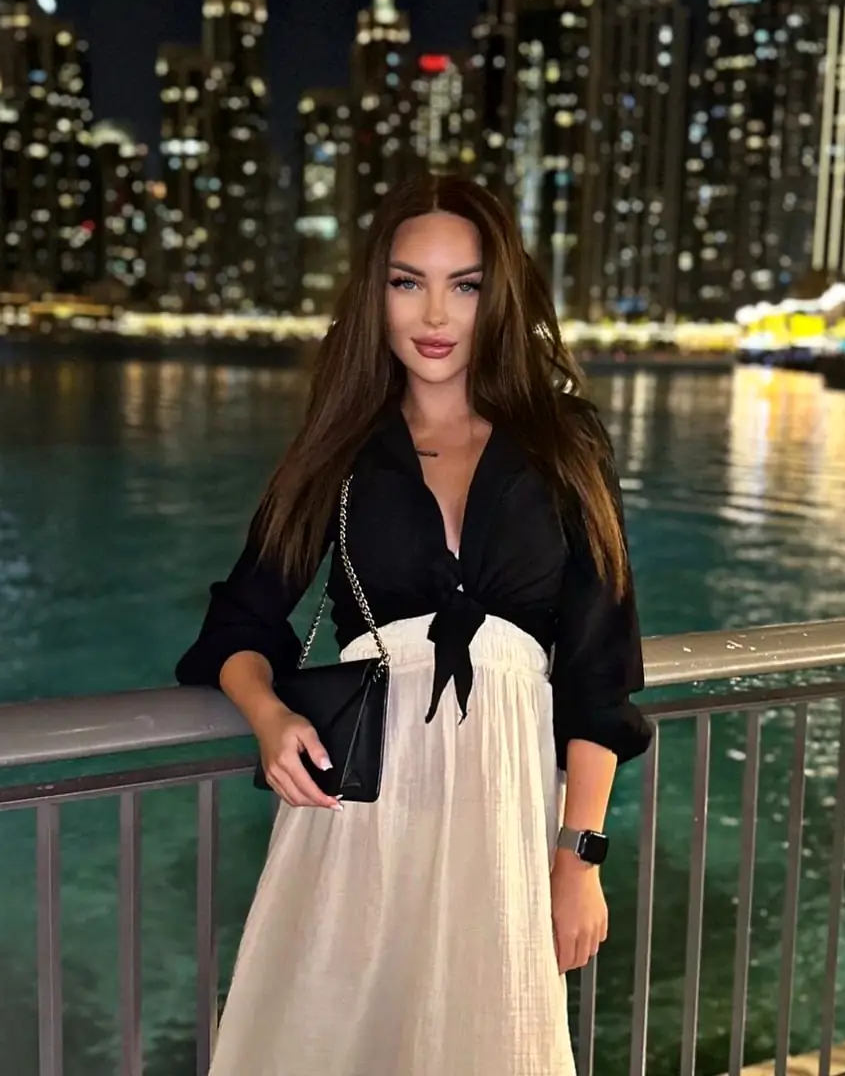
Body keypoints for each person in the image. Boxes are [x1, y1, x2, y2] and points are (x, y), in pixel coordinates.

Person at [176, 173, 650, 1075]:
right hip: (359, 823)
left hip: (504, 827)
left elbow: (600, 666)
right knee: (334, 1044)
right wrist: (269, 718)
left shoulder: (565, 441)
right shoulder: (341, 446)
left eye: (464, 285)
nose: (435, 314)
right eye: (407, 282)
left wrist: (579, 856)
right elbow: (242, 618)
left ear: (498, 296)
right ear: (375, 293)